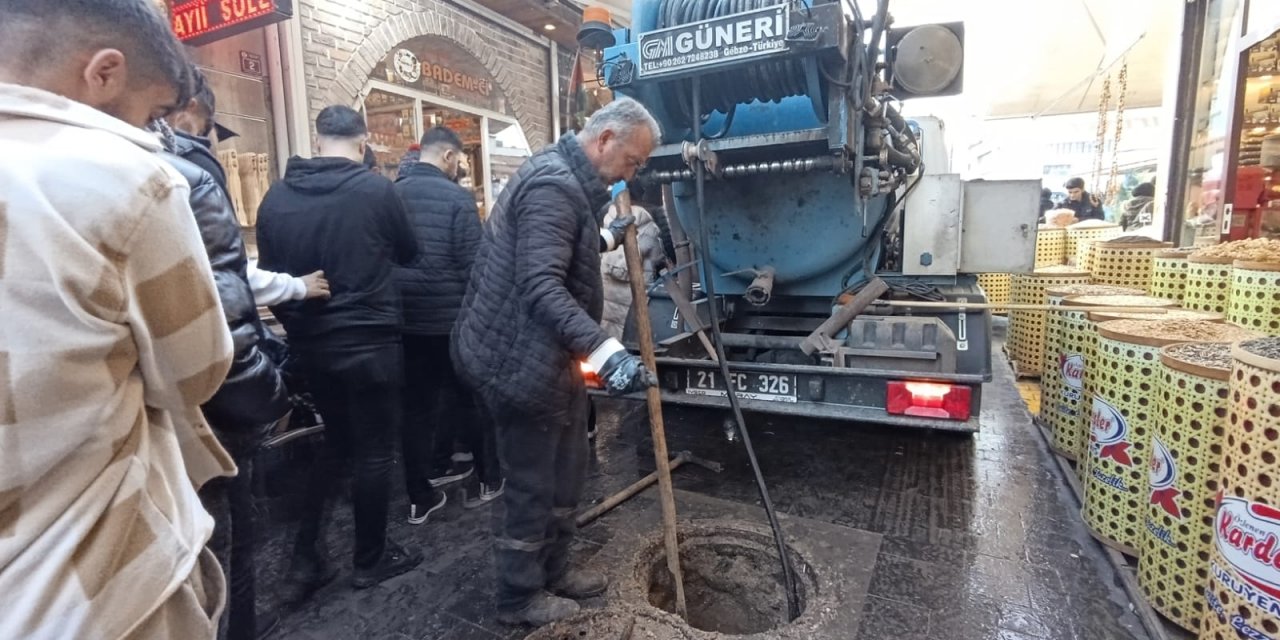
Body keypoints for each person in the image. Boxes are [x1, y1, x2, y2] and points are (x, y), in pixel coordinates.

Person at [0, 1, 236, 637]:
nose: (159, 134)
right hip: (88, 581)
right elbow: (194, 373)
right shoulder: (122, 177)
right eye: (154, 113)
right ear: (104, 73)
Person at [452, 97, 661, 627]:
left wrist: (609, 236)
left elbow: (566, 245)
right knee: (533, 484)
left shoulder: (568, 182)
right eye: (633, 161)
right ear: (605, 139)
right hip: (516, 361)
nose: (632, 174)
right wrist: (607, 352)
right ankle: (519, 597)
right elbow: (541, 284)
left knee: (568, 469)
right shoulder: (553, 185)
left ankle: (555, 569)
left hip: (549, 357)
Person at [256, 105, 421, 602]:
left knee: (336, 443)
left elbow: (271, 280)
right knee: (374, 451)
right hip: (371, 343)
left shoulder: (275, 197)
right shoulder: (376, 190)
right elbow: (410, 252)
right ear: (363, 141)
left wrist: (300, 328)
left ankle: (305, 559)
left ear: (317, 139)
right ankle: (370, 559)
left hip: (313, 346)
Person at [151, 116, 291, 640]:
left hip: (150, 424)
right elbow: (224, 316)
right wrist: (267, 398)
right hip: (203, 411)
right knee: (225, 531)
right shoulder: (182, 178)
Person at [393, 125, 499, 521]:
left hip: (407, 322)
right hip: (452, 321)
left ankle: (421, 494)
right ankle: (489, 478)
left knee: (416, 408)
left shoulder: (391, 194)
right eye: (460, 160)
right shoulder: (458, 198)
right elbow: (475, 265)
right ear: (449, 156)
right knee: (470, 398)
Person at [166, 68, 330, 306]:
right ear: (189, 109)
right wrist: (296, 286)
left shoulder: (140, 158)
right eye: (202, 131)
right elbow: (225, 269)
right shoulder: (194, 163)